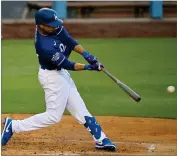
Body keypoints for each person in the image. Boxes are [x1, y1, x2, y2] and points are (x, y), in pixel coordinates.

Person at [1, 8, 116, 151]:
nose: (56, 26)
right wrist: (89, 67)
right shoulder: (44, 46)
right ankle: (13, 126)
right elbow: (67, 64)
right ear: (41, 25)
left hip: (61, 74)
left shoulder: (53, 28)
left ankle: (101, 139)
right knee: (53, 116)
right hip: (52, 78)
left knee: (80, 108)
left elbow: (69, 41)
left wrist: (87, 55)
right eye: (52, 25)